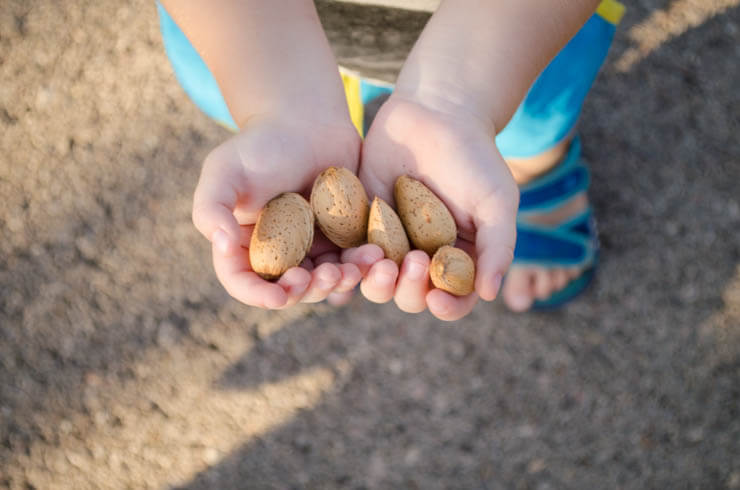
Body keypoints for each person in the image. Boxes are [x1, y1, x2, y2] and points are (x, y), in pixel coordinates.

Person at [157, 0, 624, 321]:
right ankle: (517, 159)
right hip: (257, 37)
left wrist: (456, 100)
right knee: (236, 93)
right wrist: (281, 104)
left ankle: (531, 170)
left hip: (510, 33)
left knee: (529, 120)